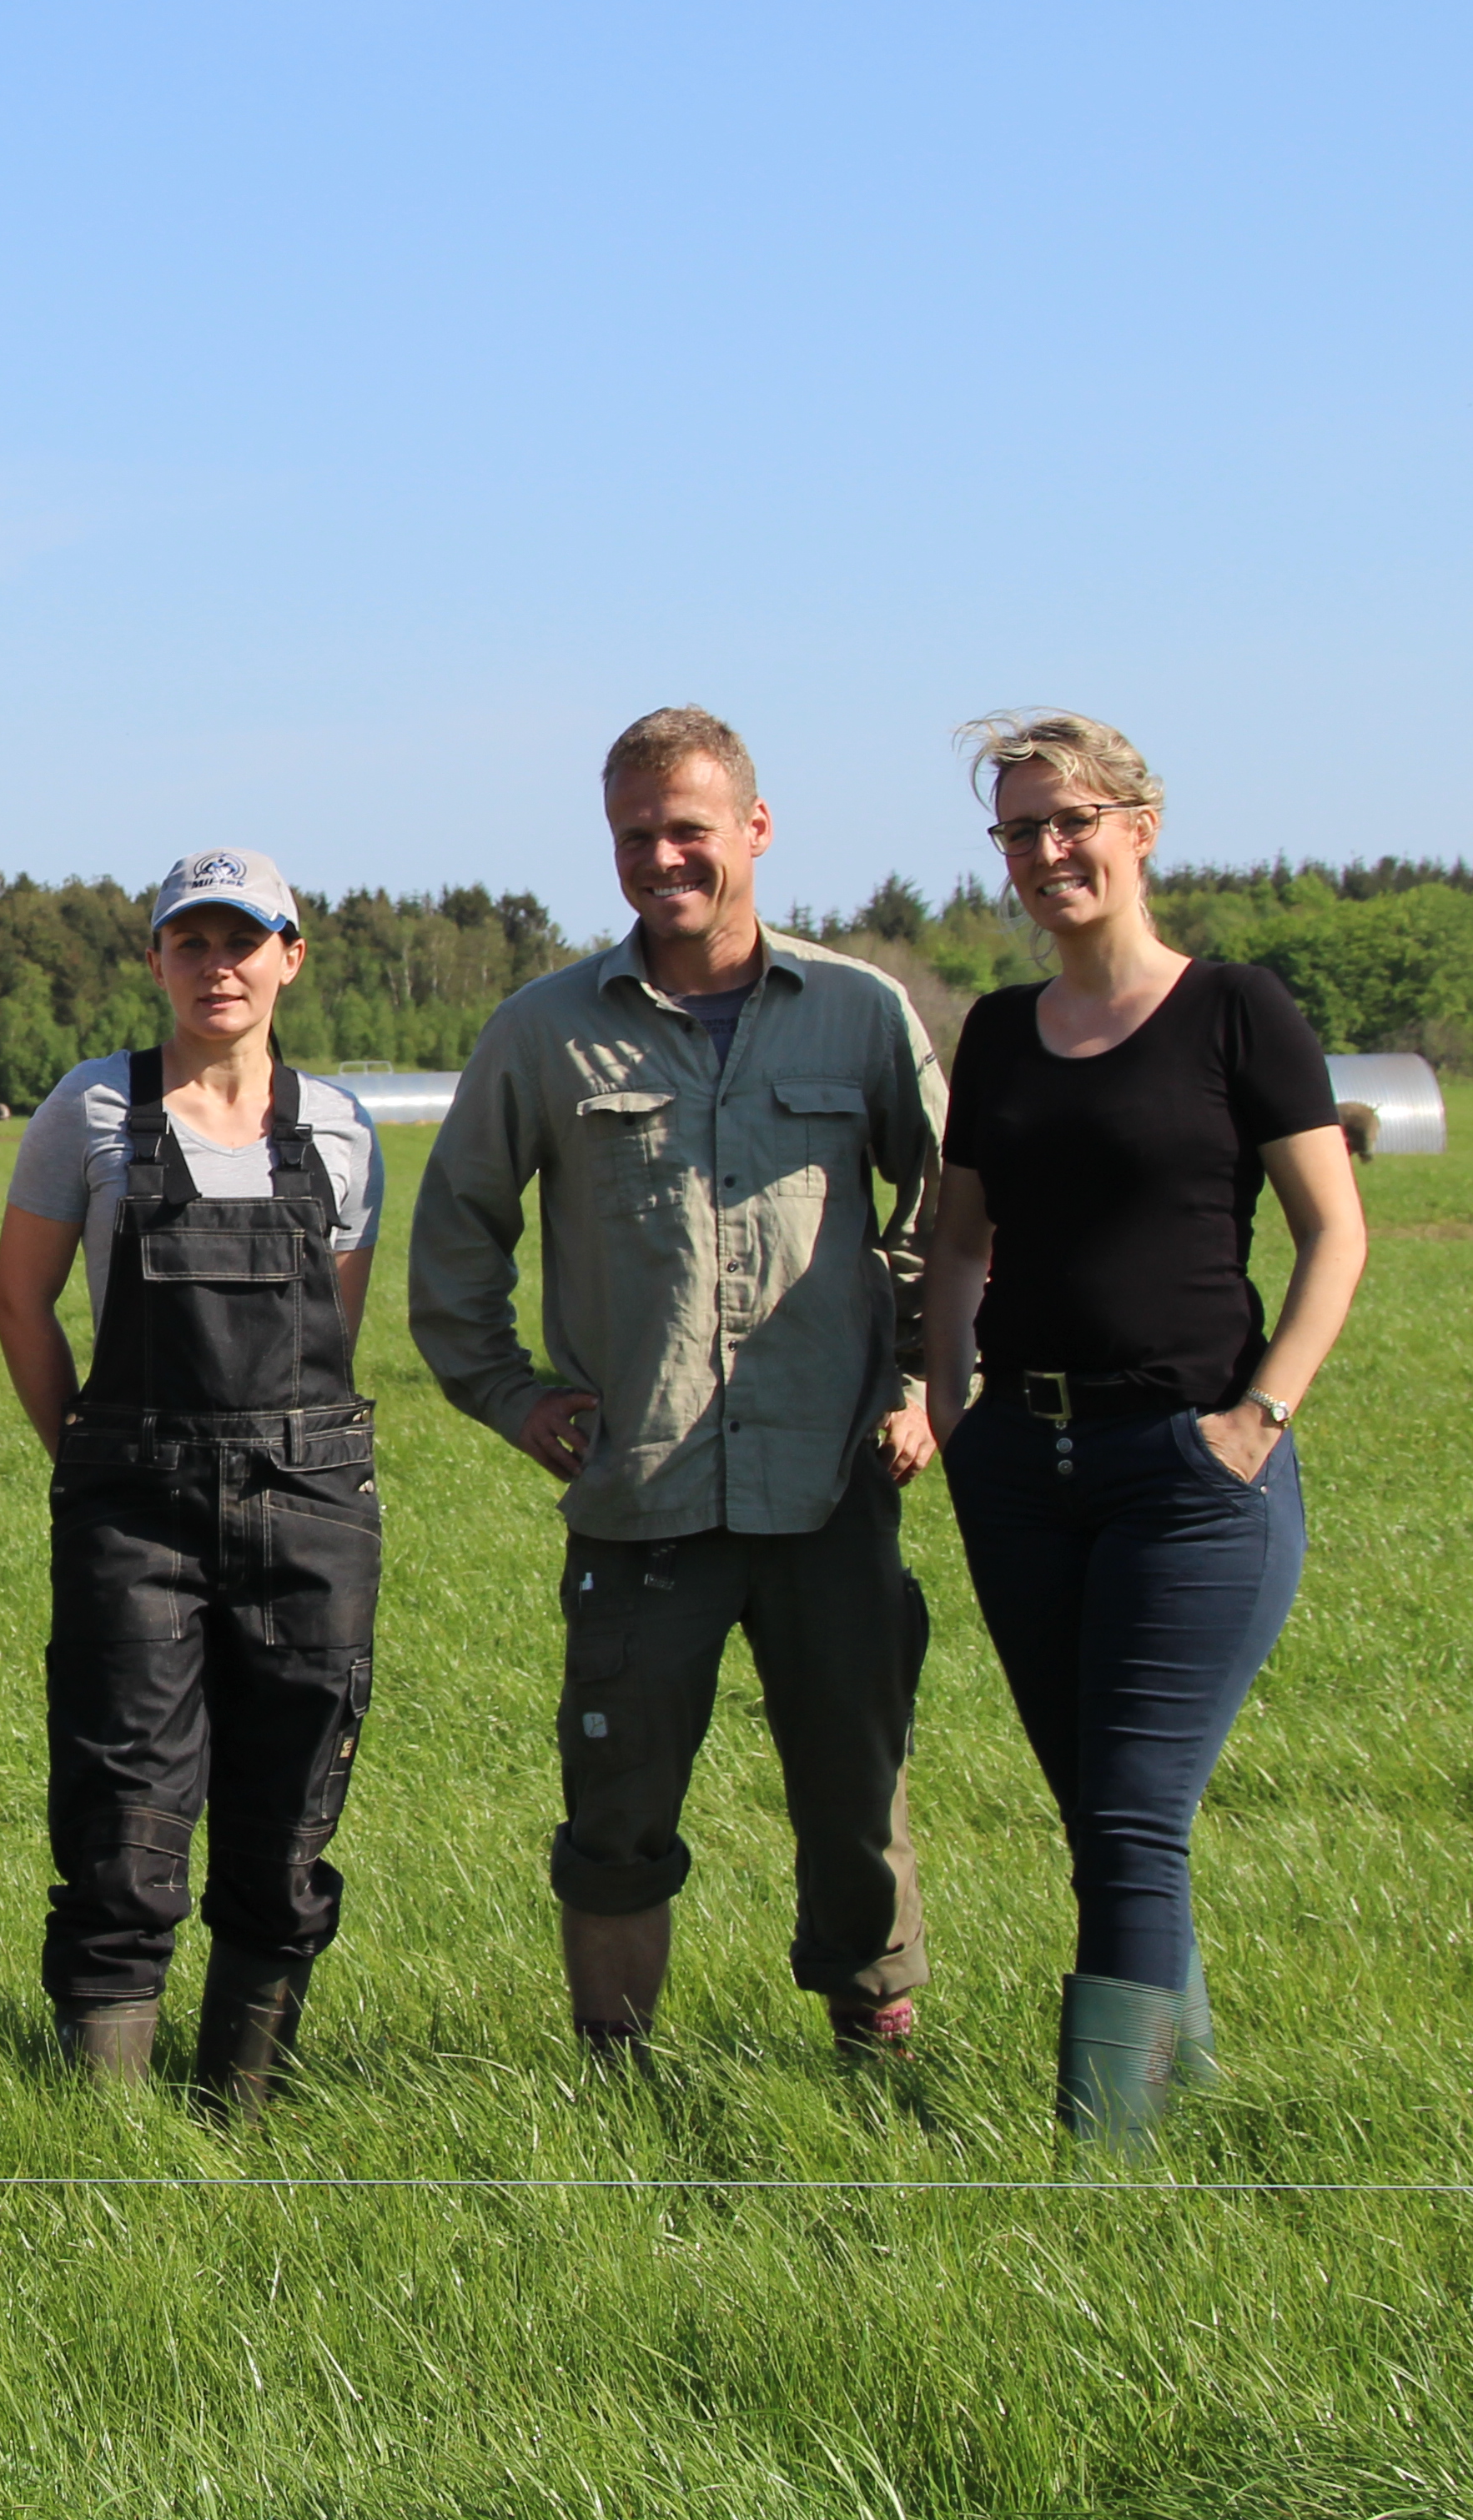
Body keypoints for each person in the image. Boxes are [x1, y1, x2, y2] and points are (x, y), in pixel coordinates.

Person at [408, 707, 950, 2065]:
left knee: (854, 1789)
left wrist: (922, 1376)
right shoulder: (545, 1032)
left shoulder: (861, 1013)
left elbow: (949, 1215)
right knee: (616, 1802)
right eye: (637, 835)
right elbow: (458, 1230)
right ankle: (615, 2068)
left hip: (829, 1489)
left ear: (755, 830)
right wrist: (509, 1393)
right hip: (640, 1495)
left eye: (690, 830)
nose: (665, 859)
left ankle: (872, 2048)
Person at [921, 710, 1365, 2142]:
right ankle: (1194, 2103)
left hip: (1188, 1470)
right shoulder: (996, 1032)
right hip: (1023, 1473)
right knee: (1112, 1825)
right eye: (1021, 833)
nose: (1049, 852)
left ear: (1139, 828)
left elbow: (1333, 1237)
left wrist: (1258, 1422)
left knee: (1128, 1824)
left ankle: (1099, 2166)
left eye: (1073, 822)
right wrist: (950, 1403)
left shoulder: (1240, 1012)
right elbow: (961, 1243)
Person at [0, 849, 389, 2110]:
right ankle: (103, 2128)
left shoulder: (339, 1127)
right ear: (156, 959)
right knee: (124, 1814)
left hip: (310, 1509)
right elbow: (21, 1300)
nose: (219, 966)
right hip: (135, 1512)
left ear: (290, 955)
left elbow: (338, 1327)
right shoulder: (93, 1108)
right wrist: (94, 1458)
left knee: (288, 1817)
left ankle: (245, 2102)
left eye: (244, 940)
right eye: (191, 942)